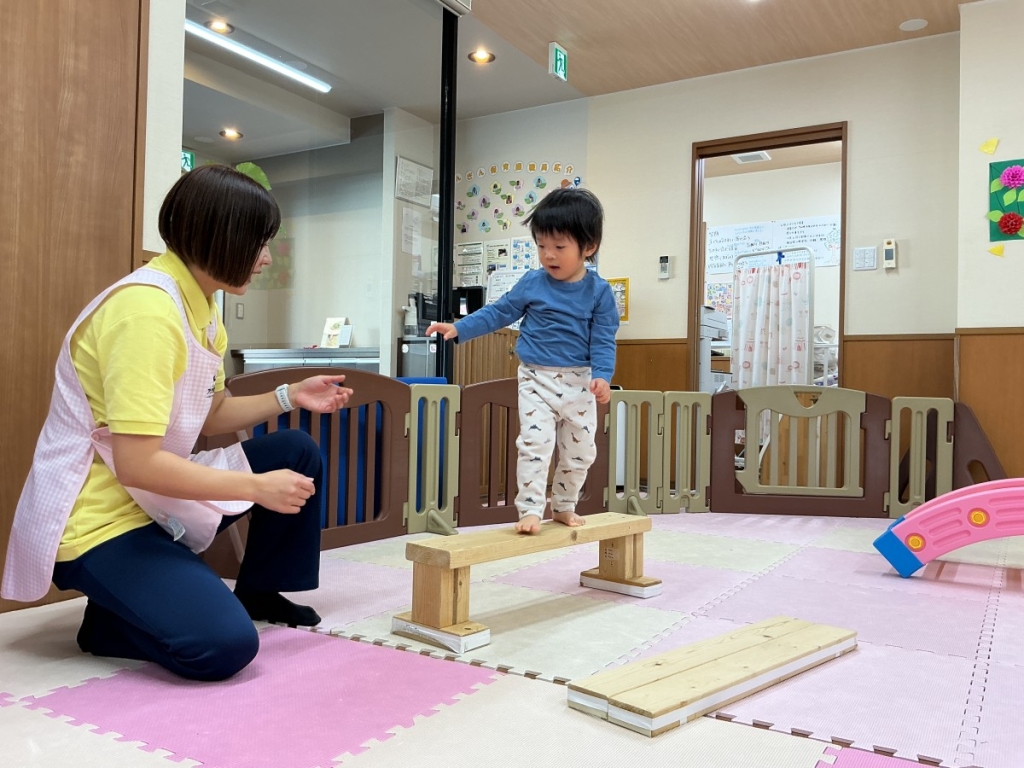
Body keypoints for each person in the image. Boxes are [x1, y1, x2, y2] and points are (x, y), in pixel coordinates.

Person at [1, 164, 352, 681]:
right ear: (221, 238)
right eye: (259, 243)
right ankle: (106, 626)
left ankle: (257, 589)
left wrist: (288, 395)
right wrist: (254, 486)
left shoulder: (203, 306)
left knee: (295, 448)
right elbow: (138, 464)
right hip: (96, 520)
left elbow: (208, 413)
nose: (265, 258)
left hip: (150, 495)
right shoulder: (147, 314)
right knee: (223, 647)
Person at [426, 187, 619, 535]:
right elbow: (499, 312)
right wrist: (459, 328)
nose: (549, 255)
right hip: (536, 379)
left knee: (581, 452)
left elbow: (603, 340)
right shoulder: (532, 282)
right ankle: (530, 508)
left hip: (579, 382)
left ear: (587, 247)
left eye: (559, 247)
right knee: (534, 444)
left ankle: (563, 505)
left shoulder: (599, 293)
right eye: (542, 246)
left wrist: (603, 376)